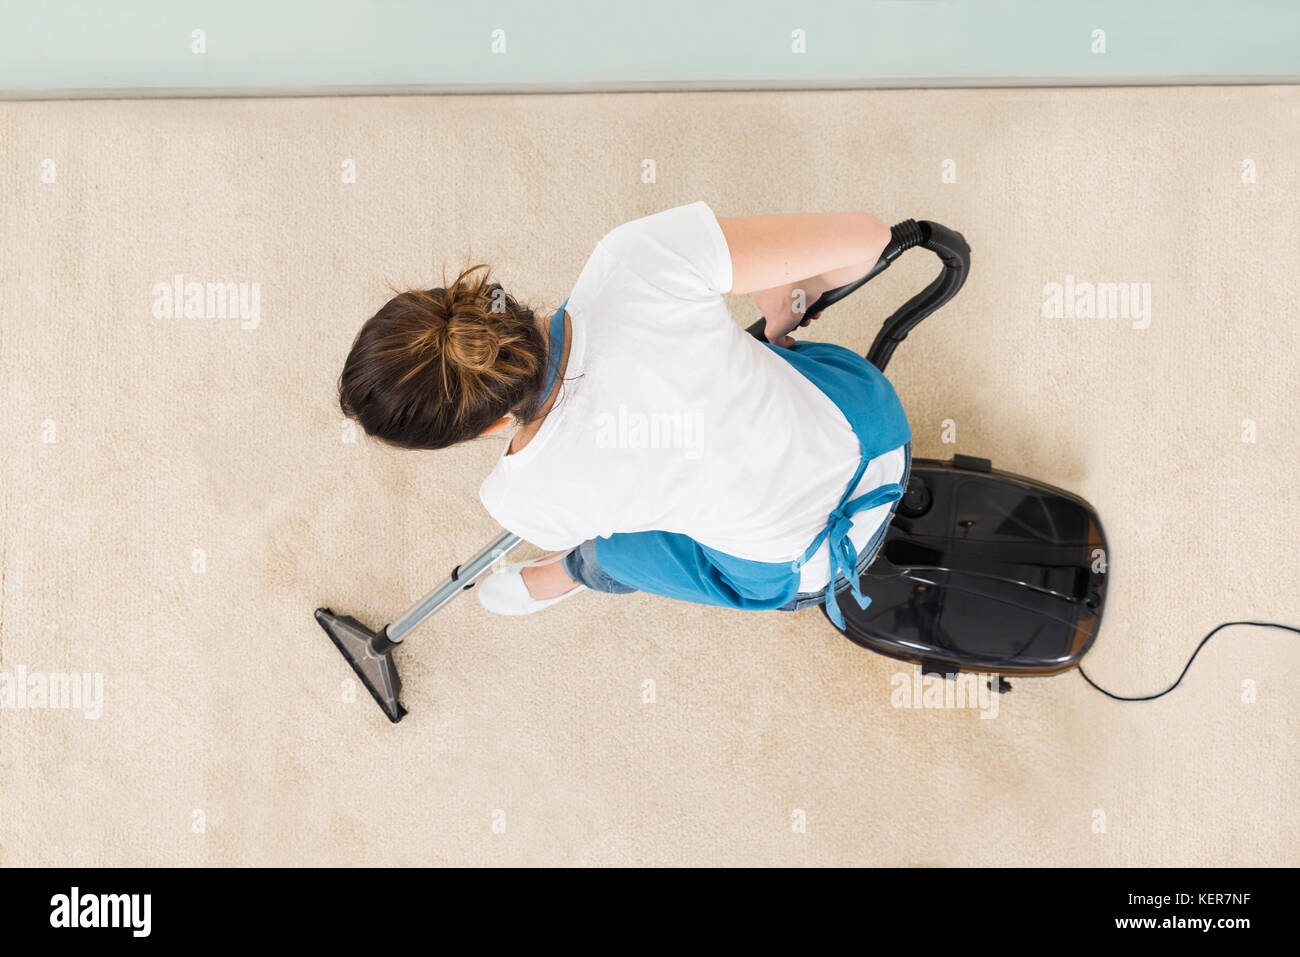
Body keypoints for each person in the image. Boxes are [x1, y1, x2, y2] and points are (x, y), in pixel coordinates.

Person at [337, 202, 912, 626]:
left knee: (618, 549)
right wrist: (792, 294)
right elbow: (870, 236)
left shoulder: (520, 501)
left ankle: (564, 575)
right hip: (877, 432)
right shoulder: (637, 257)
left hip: (806, 569)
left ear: (488, 424)